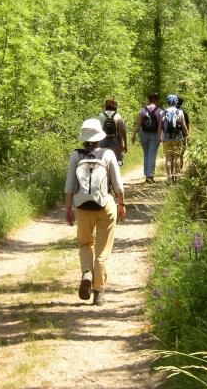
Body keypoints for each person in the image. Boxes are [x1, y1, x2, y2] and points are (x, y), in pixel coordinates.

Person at [65, 119, 126, 306]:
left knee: (85, 244)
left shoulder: (76, 155)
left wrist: (68, 209)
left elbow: (70, 186)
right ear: (100, 137)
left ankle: (87, 273)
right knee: (102, 251)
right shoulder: (108, 154)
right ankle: (99, 292)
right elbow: (117, 184)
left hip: (82, 207)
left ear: (84, 138)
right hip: (105, 205)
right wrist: (121, 204)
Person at [131, 93, 163, 183]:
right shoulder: (160, 111)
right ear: (157, 100)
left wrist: (133, 135)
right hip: (154, 134)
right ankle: (150, 176)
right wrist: (160, 136)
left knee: (146, 153)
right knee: (152, 154)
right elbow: (160, 126)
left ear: (149, 100)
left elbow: (138, 124)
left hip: (143, 133)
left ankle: (146, 174)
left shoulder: (142, 110)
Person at [159, 94, 188, 182]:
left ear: (167, 102)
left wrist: (159, 138)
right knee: (177, 157)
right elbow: (184, 126)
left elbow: (160, 127)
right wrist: (187, 136)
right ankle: (177, 177)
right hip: (177, 138)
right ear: (176, 102)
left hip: (166, 139)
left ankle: (169, 177)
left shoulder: (163, 112)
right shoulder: (180, 112)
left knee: (168, 158)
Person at [98, 99, 127, 166]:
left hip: (102, 140)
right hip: (114, 140)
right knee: (117, 160)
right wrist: (124, 144)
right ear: (115, 107)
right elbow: (122, 131)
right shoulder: (118, 116)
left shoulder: (100, 115)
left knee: (101, 159)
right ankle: (116, 171)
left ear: (105, 106)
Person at [175, 96, 190, 172]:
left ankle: (173, 169)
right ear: (182, 103)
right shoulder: (184, 112)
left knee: (174, 151)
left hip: (172, 134)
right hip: (182, 134)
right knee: (182, 150)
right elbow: (186, 125)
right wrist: (187, 135)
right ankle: (180, 164)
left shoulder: (169, 111)